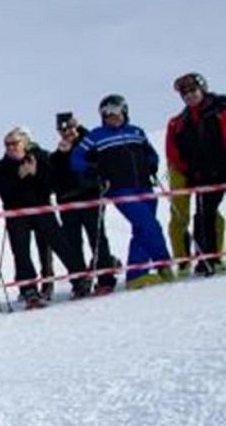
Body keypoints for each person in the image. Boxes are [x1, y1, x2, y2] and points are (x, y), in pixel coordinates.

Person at [73, 94, 172, 288]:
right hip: (119, 188)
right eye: (106, 112)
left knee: (142, 228)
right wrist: (95, 171)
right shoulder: (96, 136)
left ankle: (137, 274)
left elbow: (150, 153)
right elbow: (77, 160)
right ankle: (163, 264)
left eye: (116, 110)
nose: (112, 115)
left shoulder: (136, 131)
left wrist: (151, 165)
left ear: (124, 111)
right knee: (148, 224)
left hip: (143, 185)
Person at [168, 72, 226, 271]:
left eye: (193, 91)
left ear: (202, 89)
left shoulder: (224, 108)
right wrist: (189, 171)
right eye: (185, 93)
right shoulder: (182, 121)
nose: (190, 96)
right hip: (204, 174)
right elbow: (177, 151)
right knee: (204, 215)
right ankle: (208, 258)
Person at [0, 126, 87, 305]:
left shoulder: (39, 159)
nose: (11, 147)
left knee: (61, 244)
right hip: (17, 214)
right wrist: (19, 175)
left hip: (41, 209)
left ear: (24, 143)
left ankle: (80, 279)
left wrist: (36, 174)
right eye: (7, 144)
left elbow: (51, 186)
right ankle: (29, 290)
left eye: (15, 143)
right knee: (21, 253)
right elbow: (3, 191)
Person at [50, 112, 120, 296]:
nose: (67, 132)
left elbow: (99, 165)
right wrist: (61, 155)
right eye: (63, 129)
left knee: (97, 238)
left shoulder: (89, 144)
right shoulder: (57, 154)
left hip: (90, 198)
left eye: (71, 127)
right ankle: (79, 281)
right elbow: (53, 180)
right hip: (68, 202)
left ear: (77, 126)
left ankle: (105, 279)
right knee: (73, 243)